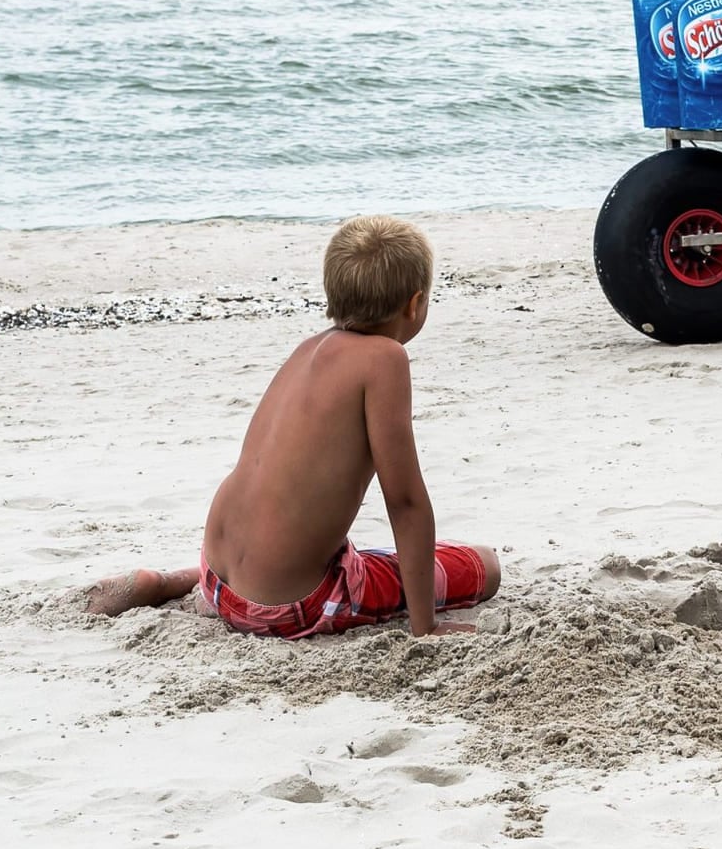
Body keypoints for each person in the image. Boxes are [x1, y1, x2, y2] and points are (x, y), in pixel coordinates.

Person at [85, 215, 498, 637]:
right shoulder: (385, 360)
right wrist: (425, 628)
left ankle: (170, 582)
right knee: (483, 565)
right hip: (289, 605)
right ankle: (222, 591)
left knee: (311, 555)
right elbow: (406, 503)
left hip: (217, 572)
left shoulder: (309, 348)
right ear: (415, 304)